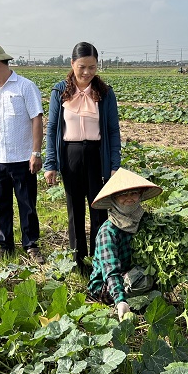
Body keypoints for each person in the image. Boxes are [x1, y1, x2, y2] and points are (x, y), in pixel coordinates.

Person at [44, 42, 122, 275]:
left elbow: (112, 130)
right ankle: (78, 261)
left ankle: (100, 259)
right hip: (70, 155)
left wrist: (114, 165)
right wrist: (51, 164)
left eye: (92, 67)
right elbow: (52, 128)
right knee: (74, 208)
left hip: (97, 155)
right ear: (72, 64)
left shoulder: (105, 93)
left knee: (99, 207)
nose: (87, 72)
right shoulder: (60, 91)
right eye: (82, 67)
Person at [0, 43, 44, 262]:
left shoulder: (25, 86)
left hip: (22, 159)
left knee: (27, 205)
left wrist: (36, 152)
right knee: (0, 206)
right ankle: (6, 244)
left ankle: (31, 245)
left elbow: (37, 119)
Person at [87, 168, 163, 320]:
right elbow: (110, 271)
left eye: (134, 193)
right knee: (142, 277)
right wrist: (120, 300)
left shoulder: (144, 221)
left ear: (140, 195)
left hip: (134, 274)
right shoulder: (108, 231)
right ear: (114, 199)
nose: (129, 198)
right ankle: (129, 302)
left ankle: (145, 298)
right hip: (106, 286)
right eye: (123, 195)